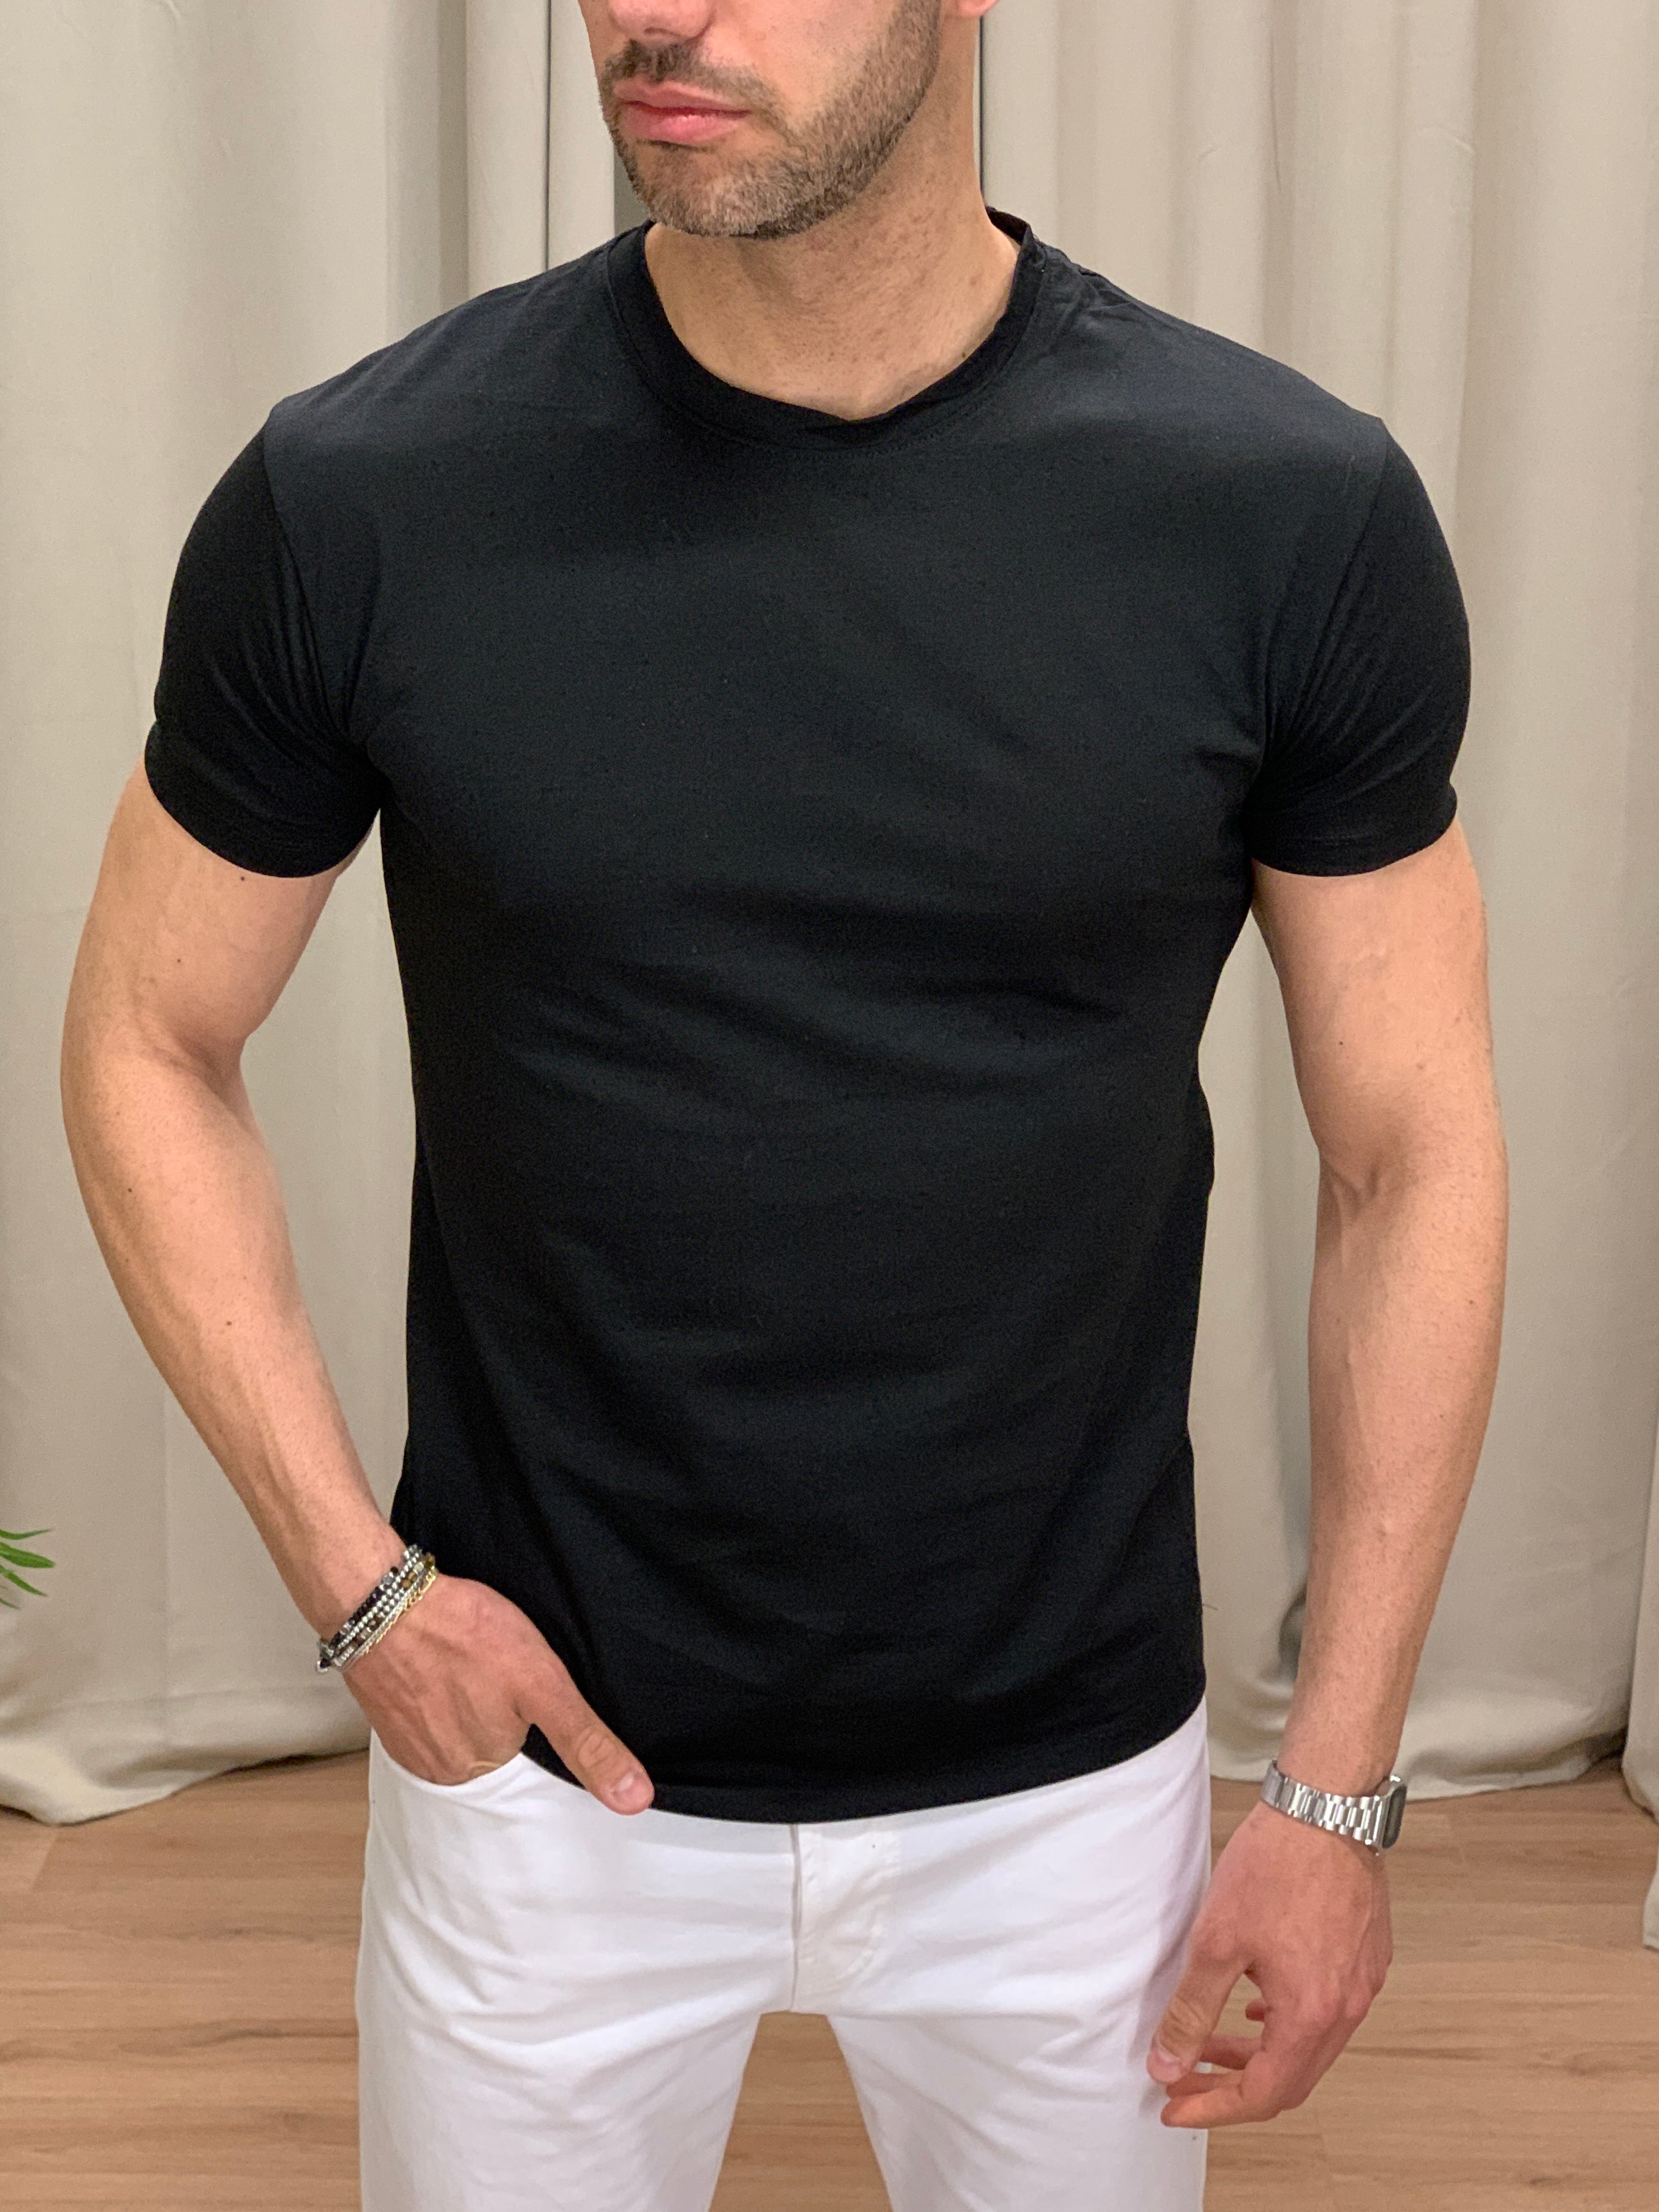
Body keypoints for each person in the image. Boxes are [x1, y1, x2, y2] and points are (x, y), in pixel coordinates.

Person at [59, 1, 1508, 2206]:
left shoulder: (1282, 512)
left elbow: (1413, 1155)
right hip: (541, 1785)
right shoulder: (364, 496)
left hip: (1066, 1795)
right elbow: (145, 1038)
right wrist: (360, 1595)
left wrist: (1335, 1794)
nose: (661, 11)